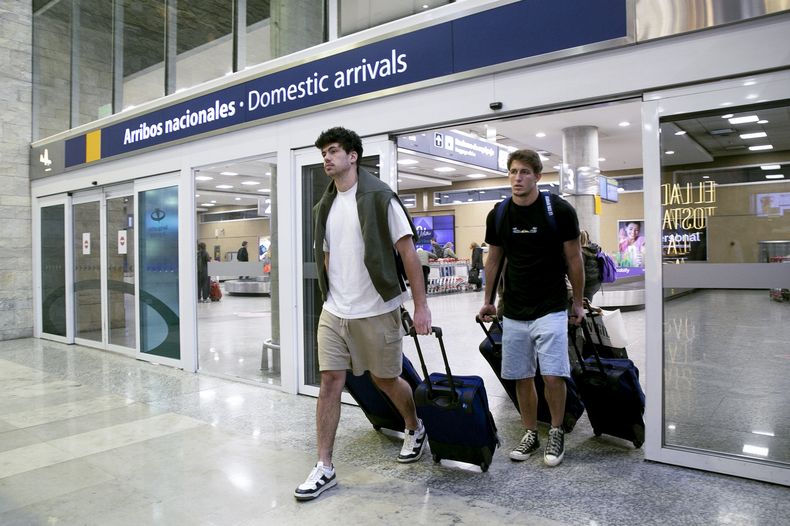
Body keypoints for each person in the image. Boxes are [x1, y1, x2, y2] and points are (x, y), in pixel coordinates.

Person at [294, 127, 432, 501]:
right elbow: (326, 254)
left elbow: (408, 254)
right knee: (329, 383)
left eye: (334, 151)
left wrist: (420, 306)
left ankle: (414, 426)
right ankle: (325, 465)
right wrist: (330, 297)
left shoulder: (380, 198)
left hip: (377, 309)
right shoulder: (323, 206)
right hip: (335, 311)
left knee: (386, 380)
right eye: (324, 152)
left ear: (353, 156)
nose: (327, 158)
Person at [478, 149, 584, 468]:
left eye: (524, 172)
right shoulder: (499, 214)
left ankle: (554, 430)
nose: (517, 178)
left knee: (553, 375)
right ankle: (529, 432)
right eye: (512, 172)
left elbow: (574, 258)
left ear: (538, 176)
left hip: (551, 306)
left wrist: (577, 302)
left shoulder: (559, 211)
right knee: (521, 376)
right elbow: (494, 259)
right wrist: (487, 300)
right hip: (514, 310)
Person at [580, 230, 602, 301]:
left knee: (582, 305)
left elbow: (579, 271)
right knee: (587, 304)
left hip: (587, 284)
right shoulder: (594, 249)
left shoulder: (582, 252)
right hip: (596, 283)